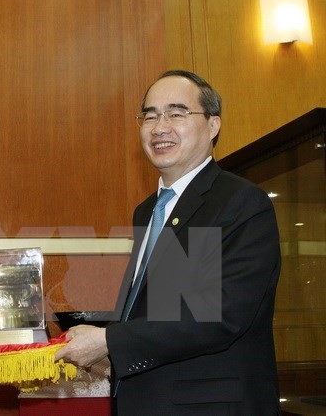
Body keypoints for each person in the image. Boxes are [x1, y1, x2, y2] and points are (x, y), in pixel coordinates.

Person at [55, 70, 281, 414]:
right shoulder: (147, 210)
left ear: (213, 125)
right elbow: (160, 307)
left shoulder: (240, 203)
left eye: (176, 113)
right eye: (149, 115)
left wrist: (107, 341)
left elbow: (218, 315)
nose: (159, 126)